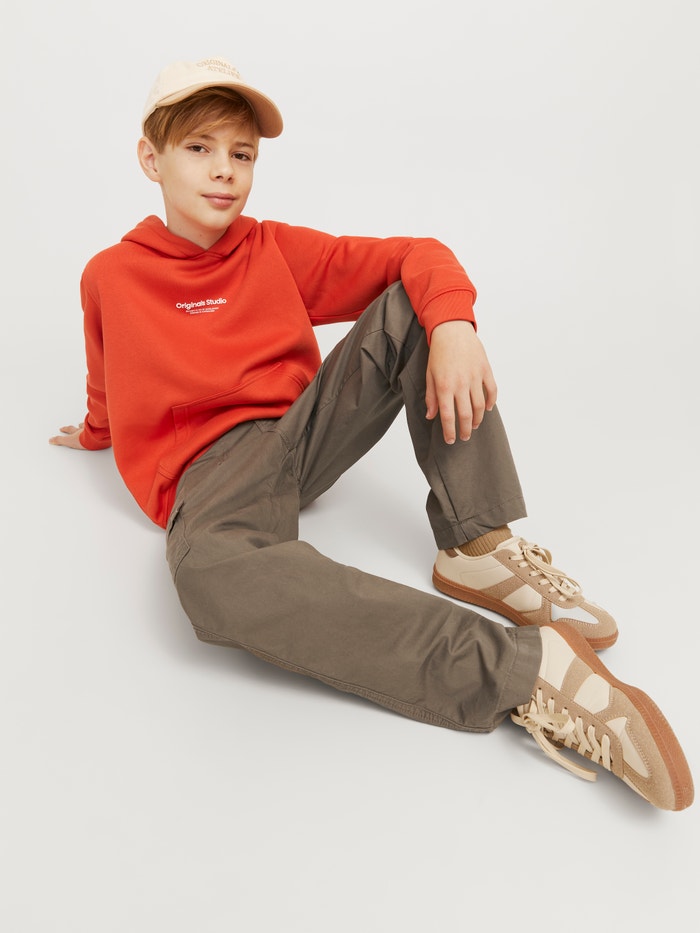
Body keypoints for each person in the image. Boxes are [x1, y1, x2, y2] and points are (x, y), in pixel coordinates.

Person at [50, 57, 693, 810]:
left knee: (415, 301)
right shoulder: (111, 275)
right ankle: (532, 671)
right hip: (210, 479)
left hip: (300, 436)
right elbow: (108, 368)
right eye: (199, 148)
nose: (224, 170)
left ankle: (478, 546)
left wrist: (452, 326)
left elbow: (415, 255)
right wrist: (95, 431)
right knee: (207, 578)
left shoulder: (271, 249)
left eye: (242, 154)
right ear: (150, 158)